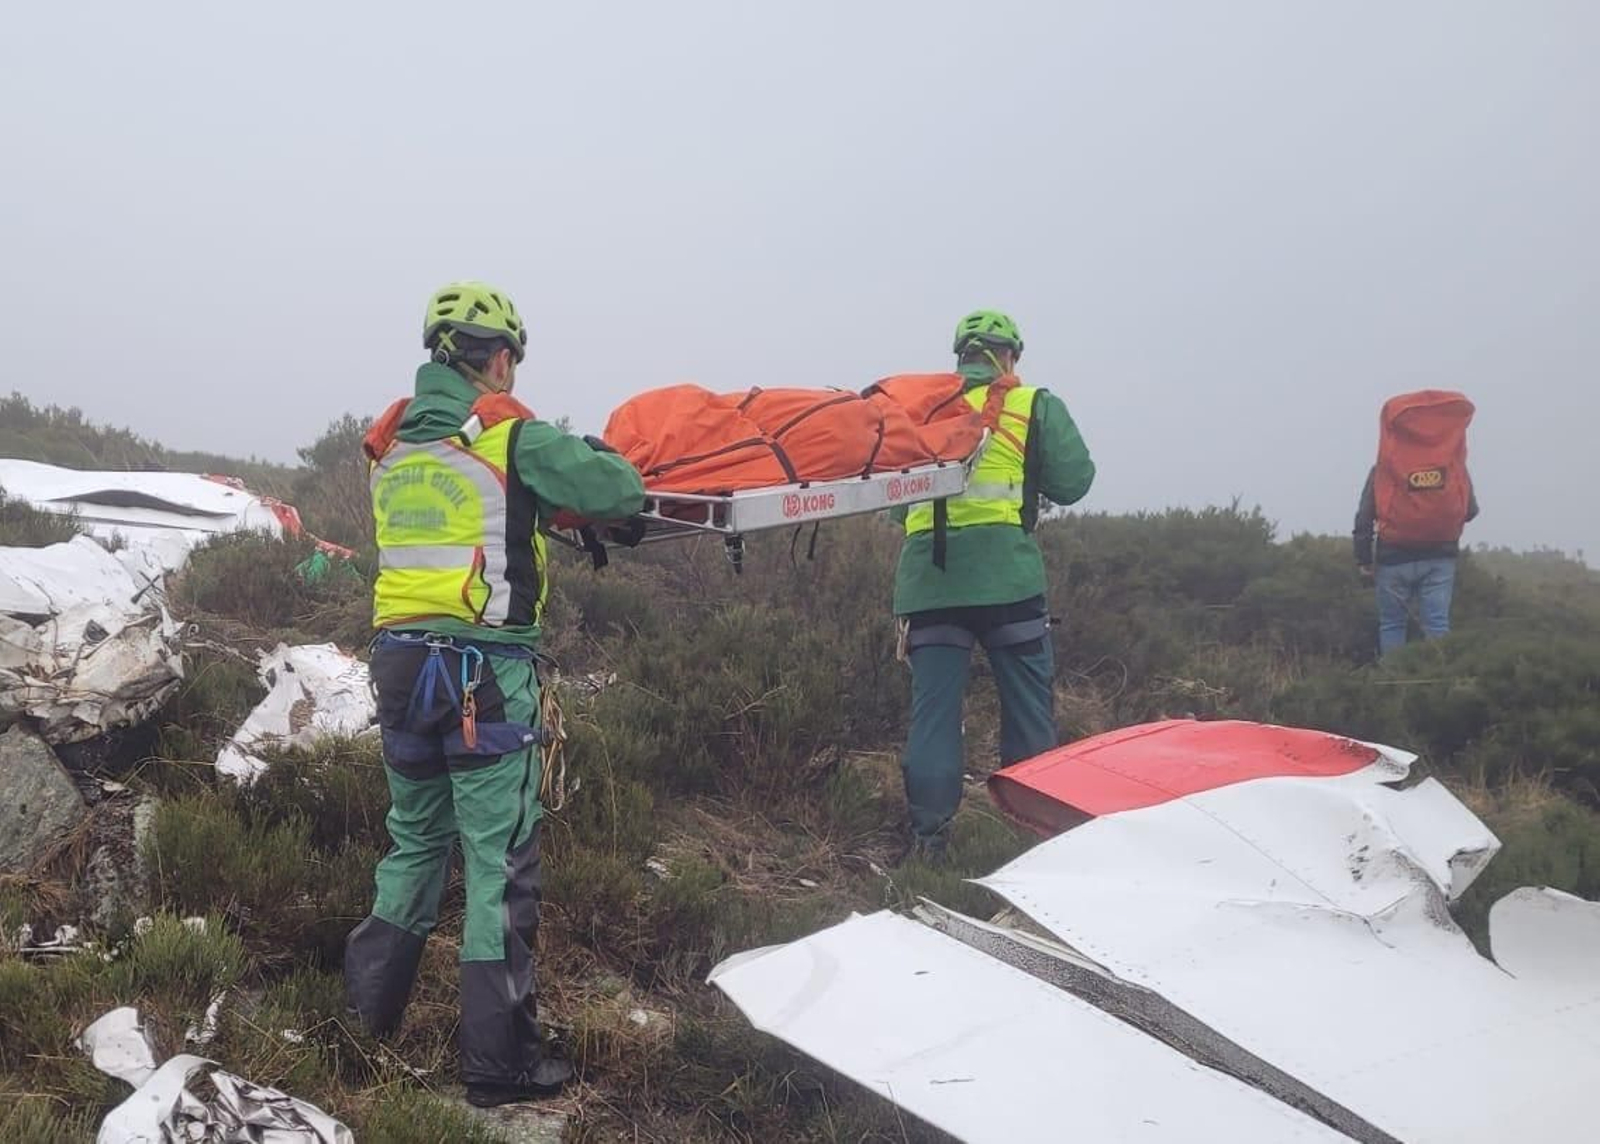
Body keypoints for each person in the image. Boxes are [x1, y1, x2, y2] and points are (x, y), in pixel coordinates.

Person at [344, 281, 645, 1107]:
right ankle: (499, 1065)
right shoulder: (513, 435)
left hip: (399, 665)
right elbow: (620, 491)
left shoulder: (390, 443)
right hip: (483, 676)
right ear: (500, 360)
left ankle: (361, 1028)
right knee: (497, 862)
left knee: (414, 842)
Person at [892, 310, 1095, 861]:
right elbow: (1074, 482)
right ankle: (1035, 841)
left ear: (960, 355)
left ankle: (929, 843)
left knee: (934, 717)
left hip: (930, 586)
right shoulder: (1033, 405)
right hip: (1010, 582)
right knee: (1028, 712)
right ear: (1010, 356)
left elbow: (894, 505)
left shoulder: (919, 409)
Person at [1353, 465, 1479, 656]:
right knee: (1437, 623)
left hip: (1392, 558)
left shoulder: (1384, 467)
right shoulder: (1452, 464)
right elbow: (1470, 510)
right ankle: (1439, 672)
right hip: (1439, 557)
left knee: (1392, 624)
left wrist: (1364, 560)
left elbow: (1364, 516)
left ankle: (1395, 672)